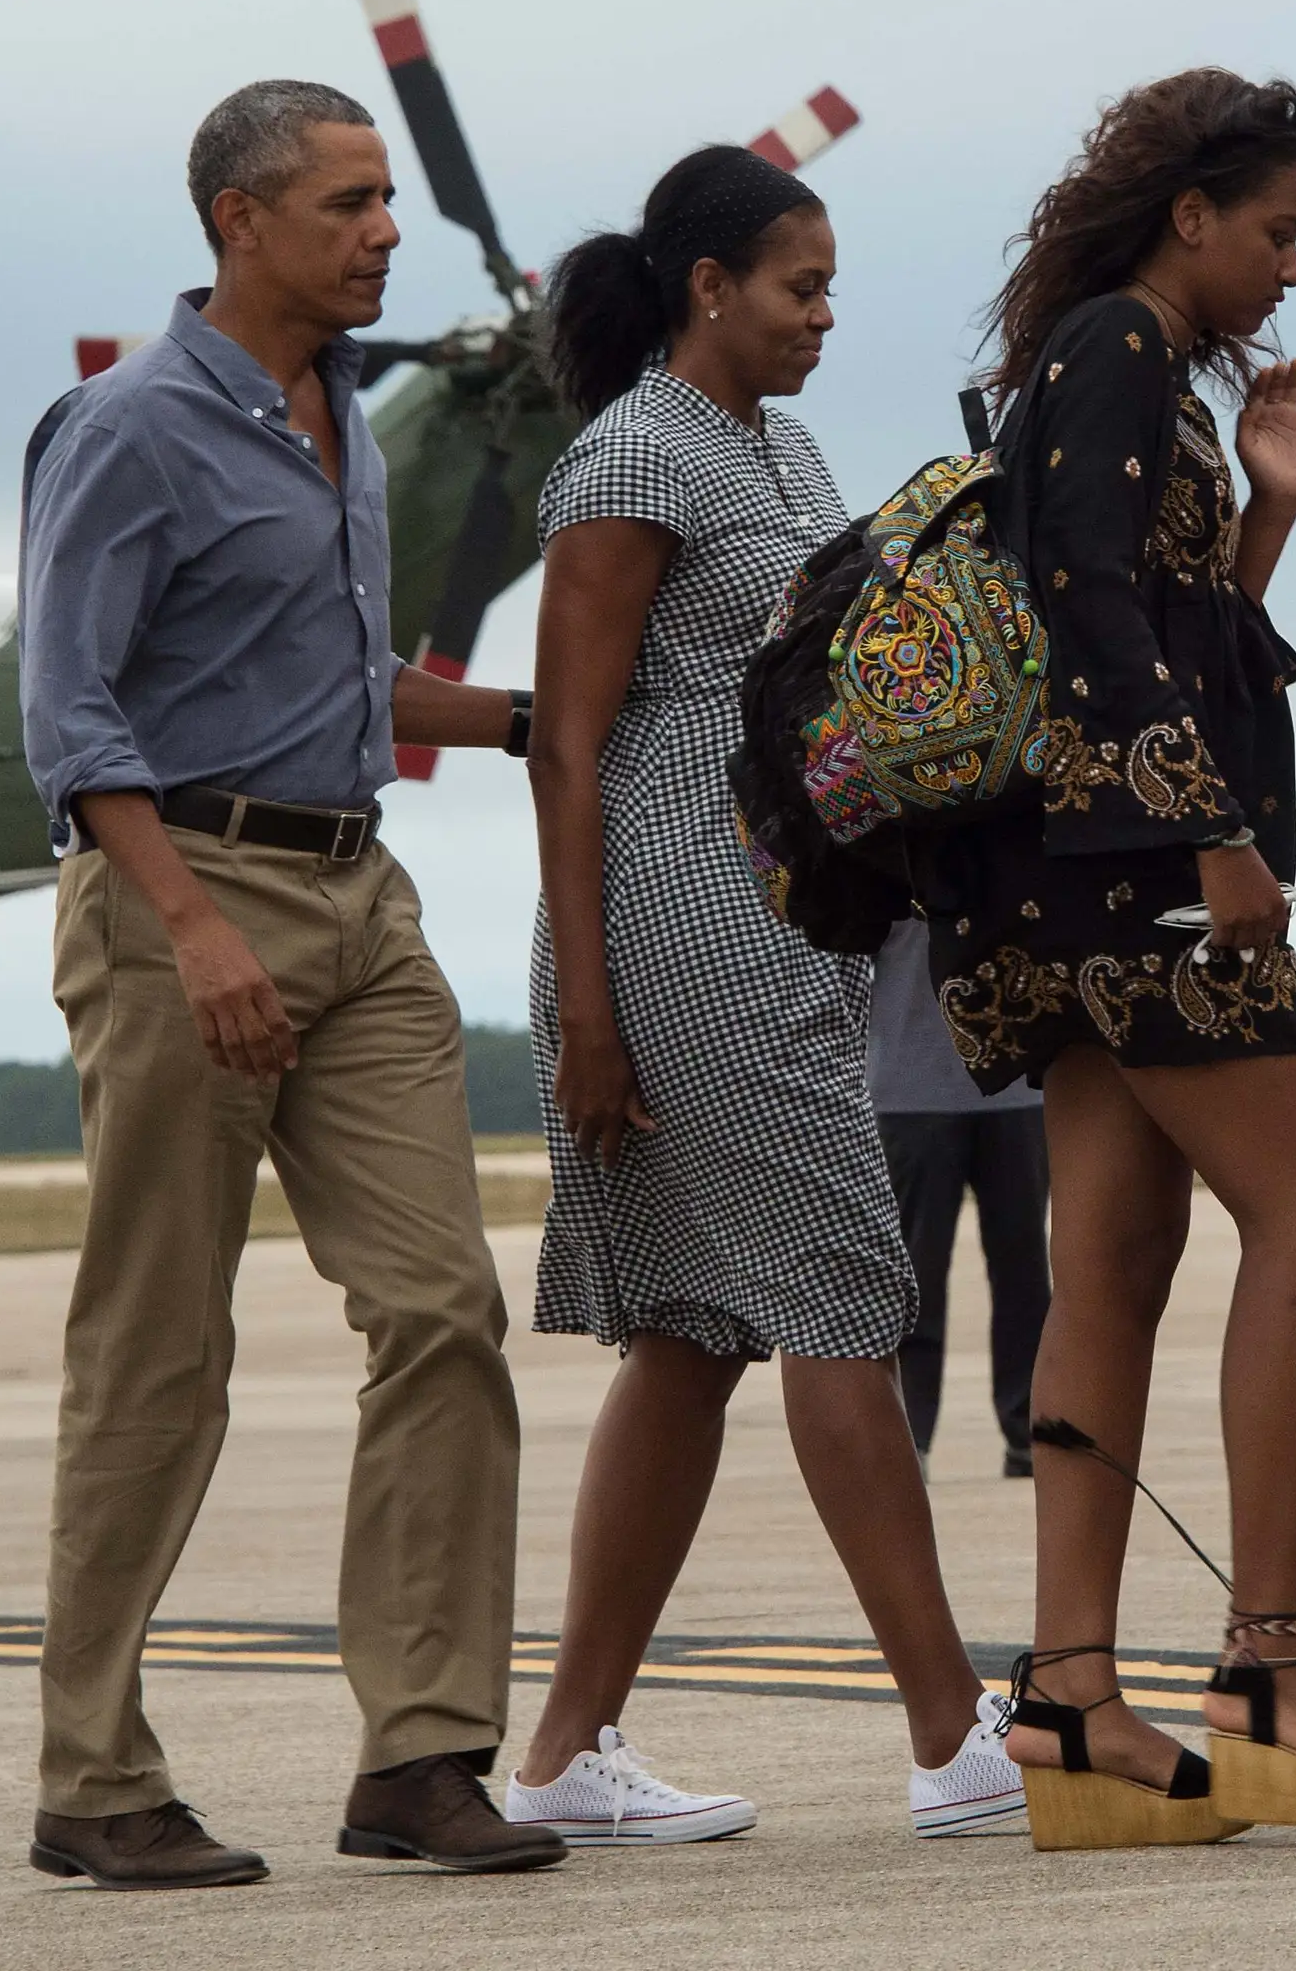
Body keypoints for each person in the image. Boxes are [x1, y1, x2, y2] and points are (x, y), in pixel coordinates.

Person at [17, 79, 563, 1887]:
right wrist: (191, 926)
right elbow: (68, 712)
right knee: (158, 1348)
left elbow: (341, 681)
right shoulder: (130, 429)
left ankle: (421, 1755)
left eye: (388, 200)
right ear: (239, 222)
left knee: (444, 1309)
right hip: (183, 897)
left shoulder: (348, 423)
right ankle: (94, 1778)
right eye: (347, 204)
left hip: (359, 897)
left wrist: (537, 720)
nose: (386, 233)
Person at [917, 67, 1296, 1847]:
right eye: (1277, 231)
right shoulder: (1125, 348)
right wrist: (1213, 833)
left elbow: (1165, 615)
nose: (1291, 268)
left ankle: (1074, 1700)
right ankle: (1269, 1665)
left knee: (1115, 1256)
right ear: (1191, 215)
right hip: (1133, 876)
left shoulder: (1103, 362)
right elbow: (1087, 606)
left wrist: (1264, 515)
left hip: (1067, 881)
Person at [506, 144, 1022, 1846]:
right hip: (676, 922)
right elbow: (565, 742)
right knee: (845, 1290)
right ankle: (951, 1734)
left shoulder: (784, 452)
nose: (822, 316)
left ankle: (562, 1757)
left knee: (691, 1334)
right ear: (708, 287)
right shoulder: (630, 458)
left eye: (831, 289)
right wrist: (590, 1013)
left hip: (784, 914)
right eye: (800, 287)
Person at [871, 921, 1051, 1479]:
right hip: (909, 1089)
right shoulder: (881, 861)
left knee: (1025, 1273)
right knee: (913, 1274)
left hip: (1018, 1085)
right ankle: (910, 1438)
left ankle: (1030, 1432)